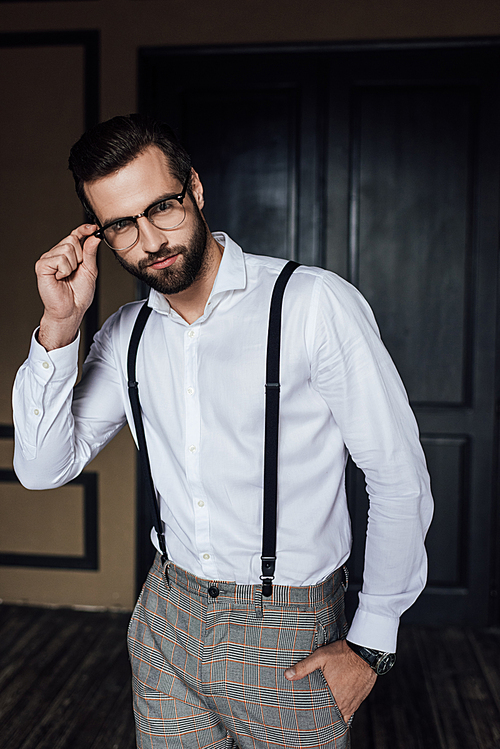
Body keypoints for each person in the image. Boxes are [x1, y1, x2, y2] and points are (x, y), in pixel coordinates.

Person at [12, 114, 433, 749]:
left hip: (290, 629)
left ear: (196, 190)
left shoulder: (311, 304)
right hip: (167, 621)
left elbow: (398, 475)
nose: (150, 239)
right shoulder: (126, 334)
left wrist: (372, 642)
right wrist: (59, 325)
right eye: (123, 224)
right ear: (99, 234)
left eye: (163, 207)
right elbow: (43, 468)